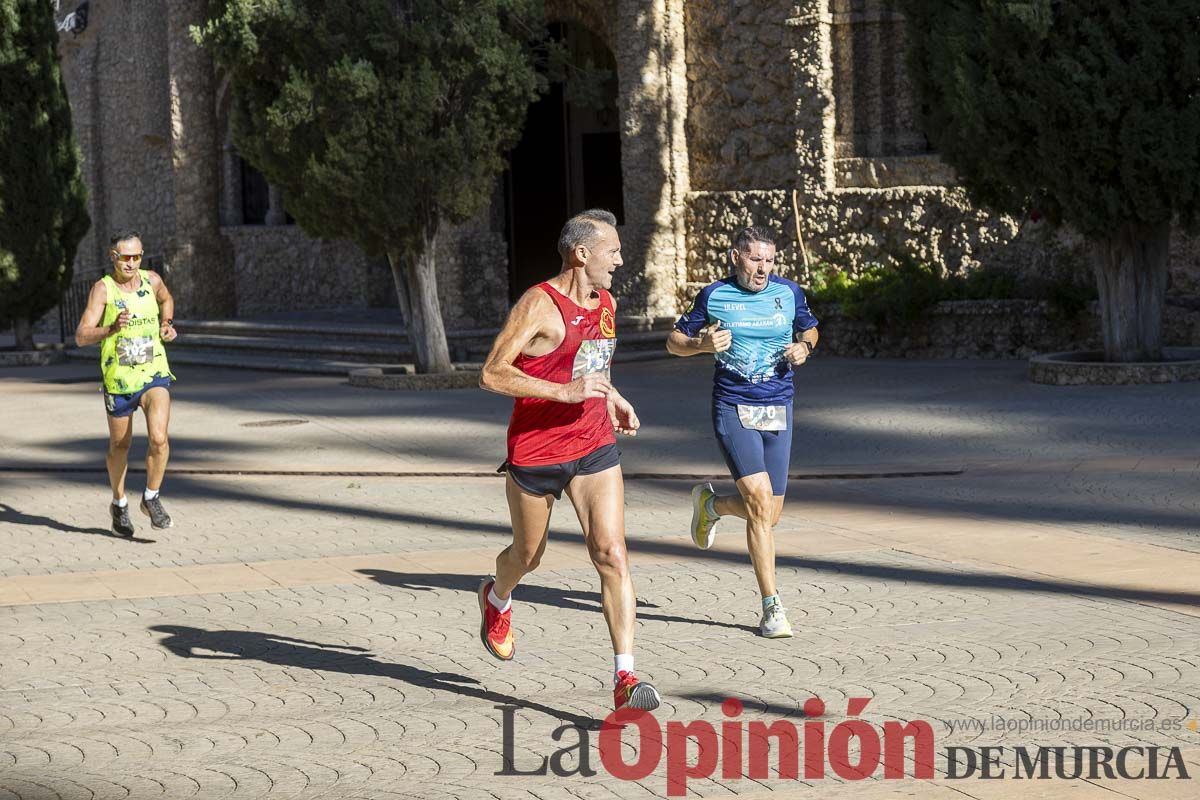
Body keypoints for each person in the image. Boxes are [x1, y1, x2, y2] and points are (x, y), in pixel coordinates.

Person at [478, 209, 660, 711]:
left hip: (594, 444)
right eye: (613, 252)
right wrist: (564, 392)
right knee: (527, 556)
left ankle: (625, 679)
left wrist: (611, 395)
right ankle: (496, 596)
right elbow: (492, 374)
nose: (620, 261)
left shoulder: (605, 302)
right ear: (582, 254)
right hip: (536, 451)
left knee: (612, 553)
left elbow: (592, 367)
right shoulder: (538, 305)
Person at [666, 226, 819, 638]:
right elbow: (674, 341)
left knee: (769, 514)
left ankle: (711, 506)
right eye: (755, 259)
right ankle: (772, 607)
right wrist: (701, 345)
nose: (763, 269)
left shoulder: (789, 293)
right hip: (733, 406)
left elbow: (810, 329)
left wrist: (805, 347)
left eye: (769, 260)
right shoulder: (714, 295)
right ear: (736, 256)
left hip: (778, 405)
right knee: (759, 500)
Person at [75, 230, 178, 536]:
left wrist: (167, 324)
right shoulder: (103, 290)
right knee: (121, 445)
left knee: (159, 438)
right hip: (119, 379)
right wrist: (109, 328)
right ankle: (119, 504)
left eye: (137, 256)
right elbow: (81, 335)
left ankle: (151, 498)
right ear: (114, 258)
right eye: (126, 257)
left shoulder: (152, 280)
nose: (132, 263)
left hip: (154, 373)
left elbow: (166, 298)